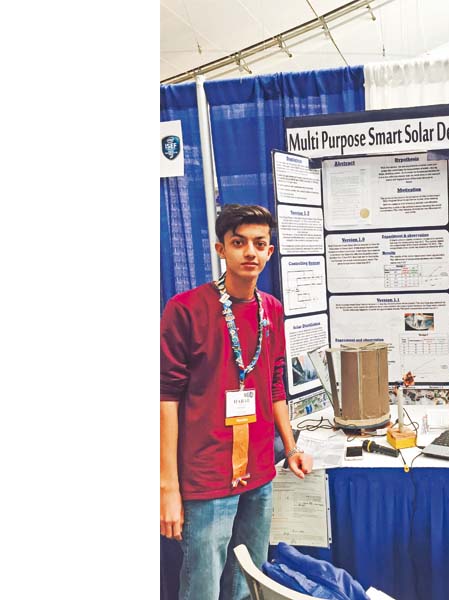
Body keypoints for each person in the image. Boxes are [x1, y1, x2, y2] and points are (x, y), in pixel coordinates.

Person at [161, 204, 313, 600]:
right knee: (203, 585)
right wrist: (168, 489)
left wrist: (291, 447)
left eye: (259, 244)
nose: (250, 251)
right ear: (220, 249)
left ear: (270, 251)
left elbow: (275, 385)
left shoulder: (272, 310)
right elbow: (165, 399)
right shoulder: (186, 309)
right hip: (207, 475)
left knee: (249, 583)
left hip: (260, 471)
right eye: (239, 242)